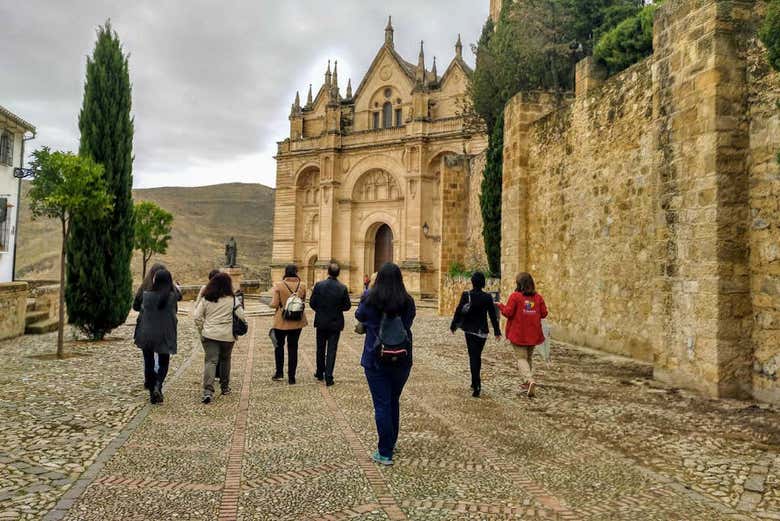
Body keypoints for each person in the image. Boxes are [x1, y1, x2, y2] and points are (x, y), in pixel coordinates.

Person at [355, 262, 416, 466]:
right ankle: (391, 442)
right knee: (393, 400)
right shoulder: (407, 301)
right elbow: (409, 322)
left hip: (375, 358)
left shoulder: (370, 299)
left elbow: (359, 315)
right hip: (402, 358)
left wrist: (369, 291)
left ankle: (385, 452)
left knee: (382, 404)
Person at [194, 272, 246, 404]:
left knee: (210, 361)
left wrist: (202, 330)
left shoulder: (206, 299)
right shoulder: (233, 299)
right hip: (227, 335)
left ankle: (208, 391)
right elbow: (242, 315)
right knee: (225, 360)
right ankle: (225, 387)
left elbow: (197, 317)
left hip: (209, 334)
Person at [450, 272, 501, 397]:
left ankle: (476, 384)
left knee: (473, 357)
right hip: (482, 332)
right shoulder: (487, 297)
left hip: (470, 330)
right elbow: (493, 315)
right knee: (477, 356)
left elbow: (458, 311)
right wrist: (497, 331)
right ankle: (474, 382)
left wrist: (453, 325)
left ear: (472, 282)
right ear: (483, 283)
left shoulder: (466, 295)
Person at [498, 272, 548, 398]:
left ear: (519, 284)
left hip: (518, 333)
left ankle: (529, 380)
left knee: (521, 358)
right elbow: (544, 313)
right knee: (528, 358)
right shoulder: (538, 298)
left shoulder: (515, 297)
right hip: (533, 334)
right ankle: (527, 383)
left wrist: (500, 306)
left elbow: (508, 312)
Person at [134, 268, 179, 404]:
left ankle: (152, 390)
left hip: (147, 333)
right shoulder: (172, 297)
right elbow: (178, 296)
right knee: (163, 363)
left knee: (149, 363)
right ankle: (158, 386)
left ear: (155, 280)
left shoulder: (147, 296)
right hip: (165, 334)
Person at [310, 261, 352, 386]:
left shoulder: (319, 285)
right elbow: (347, 306)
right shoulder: (342, 288)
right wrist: (337, 309)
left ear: (328, 272)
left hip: (321, 321)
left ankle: (319, 372)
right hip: (335, 322)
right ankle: (329, 376)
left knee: (320, 348)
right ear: (338, 273)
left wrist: (320, 310)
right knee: (332, 350)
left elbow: (312, 303)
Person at [270, 265, 308, 384]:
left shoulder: (279, 285)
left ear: (285, 272)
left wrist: (271, 304)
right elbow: (303, 301)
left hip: (281, 321)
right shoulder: (302, 285)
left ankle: (279, 373)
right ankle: (292, 377)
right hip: (297, 320)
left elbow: (274, 304)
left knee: (279, 346)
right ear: (296, 272)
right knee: (293, 348)